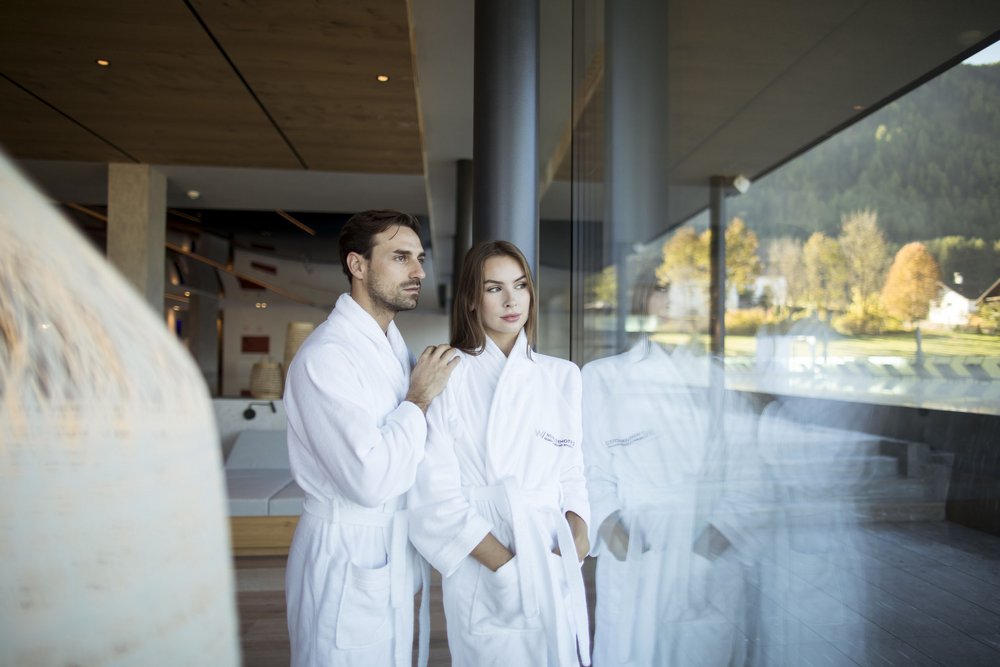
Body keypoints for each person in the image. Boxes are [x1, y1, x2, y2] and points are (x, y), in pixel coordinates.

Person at [283, 210, 458, 667]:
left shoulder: (392, 348)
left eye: (420, 258)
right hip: (345, 552)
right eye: (401, 257)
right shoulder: (327, 357)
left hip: (387, 549)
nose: (419, 272)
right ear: (357, 265)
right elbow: (369, 480)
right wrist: (418, 399)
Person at [408, 240, 592, 666]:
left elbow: (572, 473)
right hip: (486, 561)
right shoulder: (448, 374)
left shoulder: (563, 376)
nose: (512, 300)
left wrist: (577, 541)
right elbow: (433, 498)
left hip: (554, 554)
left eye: (520, 285)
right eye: (494, 288)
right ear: (472, 300)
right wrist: (508, 570)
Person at [582, 269, 767, 667]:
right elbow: (590, 472)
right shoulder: (602, 376)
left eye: (683, 293)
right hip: (634, 549)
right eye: (661, 292)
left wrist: (703, 556)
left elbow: (748, 478)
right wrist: (619, 537)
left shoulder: (721, 379)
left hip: (705, 544)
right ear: (641, 300)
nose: (670, 304)